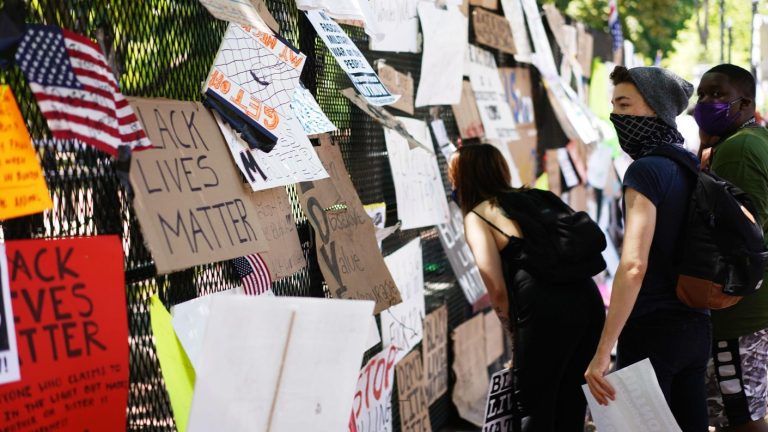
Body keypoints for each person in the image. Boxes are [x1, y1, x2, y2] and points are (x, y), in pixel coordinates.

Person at [584, 66, 711, 432]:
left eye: (625, 105)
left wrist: (602, 351)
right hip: (696, 327)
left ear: (655, 108)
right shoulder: (689, 164)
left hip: (653, 331)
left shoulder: (644, 171)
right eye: (614, 106)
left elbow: (634, 265)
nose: (616, 116)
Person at [450, 144, 605, 432]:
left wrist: (515, 337)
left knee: (535, 405)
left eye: (453, 176)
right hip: (587, 300)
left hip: (544, 312)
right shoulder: (537, 197)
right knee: (572, 398)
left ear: (464, 178)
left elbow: (496, 290)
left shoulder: (478, 216)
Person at [695, 64, 768, 432]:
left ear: (746, 104)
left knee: (742, 418)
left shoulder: (737, 150)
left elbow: (742, 238)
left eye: (719, 94)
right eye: (702, 95)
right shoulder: (753, 140)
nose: (707, 102)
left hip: (739, 313)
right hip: (752, 310)